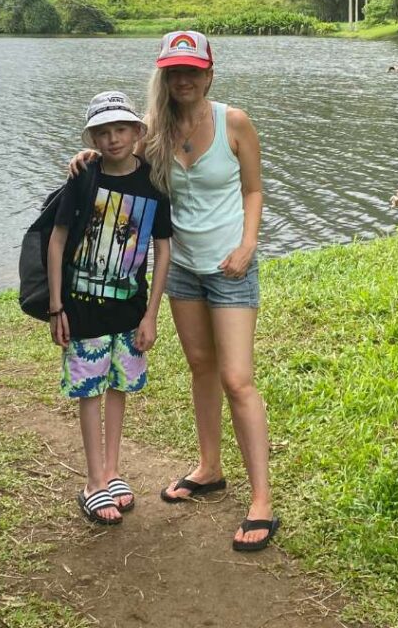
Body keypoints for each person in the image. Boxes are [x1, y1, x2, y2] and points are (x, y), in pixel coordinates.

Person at [72, 32, 277, 551]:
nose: (183, 79)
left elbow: (253, 189)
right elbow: (114, 154)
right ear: (164, 76)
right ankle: (209, 468)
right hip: (181, 271)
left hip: (230, 268)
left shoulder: (235, 122)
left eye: (193, 70)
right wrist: (83, 157)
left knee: (237, 379)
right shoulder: (152, 132)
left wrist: (249, 245)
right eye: (174, 71)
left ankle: (262, 501)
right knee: (201, 367)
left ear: (209, 74)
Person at [49, 90, 172, 526]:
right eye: (102, 132)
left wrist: (151, 314)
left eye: (121, 129)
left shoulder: (153, 182)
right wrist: (56, 306)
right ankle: (93, 482)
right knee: (89, 391)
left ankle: (113, 472)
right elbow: (58, 238)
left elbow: (162, 248)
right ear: (92, 138)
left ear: (138, 132)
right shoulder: (84, 176)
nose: (113, 138)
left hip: (129, 309)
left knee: (119, 387)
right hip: (82, 312)